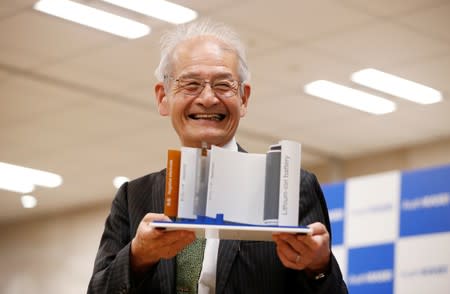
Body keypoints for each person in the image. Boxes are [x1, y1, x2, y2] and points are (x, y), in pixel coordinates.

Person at [87, 19, 348, 294]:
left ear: (244, 99)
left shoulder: (289, 187)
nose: (208, 98)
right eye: (191, 85)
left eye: (223, 85)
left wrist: (319, 268)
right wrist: (138, 256)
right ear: (163, 97)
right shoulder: (133, 197)